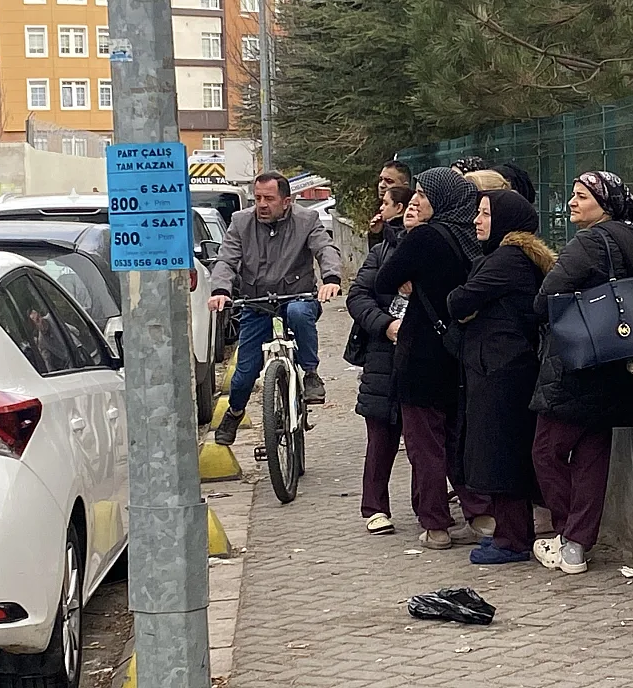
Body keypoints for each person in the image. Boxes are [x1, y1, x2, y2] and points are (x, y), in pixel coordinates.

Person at [530, 170, 633, 575]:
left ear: (604, 204)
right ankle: (577, 547)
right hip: (617, 355)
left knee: (546, 451)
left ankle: (567, 534)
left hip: (577, 360)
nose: (572, 202)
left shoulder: (588, 242)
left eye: (582, 196)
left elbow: (547, 296)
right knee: (592, 455)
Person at [374, 167, 492, 550]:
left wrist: (409, 278)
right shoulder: (469, 238)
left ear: (441, 199)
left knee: (424, 444)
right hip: (457, 353)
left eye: (423, 194)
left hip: (420, 353)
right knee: (458, 439)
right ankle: (480, 514)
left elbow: (383, 279)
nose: (415, 200)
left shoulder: (425, 237)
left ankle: (436, 524)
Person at [448, 191, 554, 564]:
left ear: (506, 221)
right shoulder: (507, 257)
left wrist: (467, 307)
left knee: (501, 454)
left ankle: (513, 539)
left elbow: (458, 300)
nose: (477, 220)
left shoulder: (507, 259)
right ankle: (510, 534)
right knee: (496, 451)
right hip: (497, 366)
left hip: (502, 369)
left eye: (485, 214)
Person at [207, 172, 343, 446]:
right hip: (256, 304)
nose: (262, 204)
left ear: (287, 201)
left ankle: (311, 374)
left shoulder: (306, 220)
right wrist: (220, 290)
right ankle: (235, 412)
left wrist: (331, 279)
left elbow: (325, 249)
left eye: (269, 198)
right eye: (257, 198)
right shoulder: (240, 222)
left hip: (297, 297)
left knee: (298, 314)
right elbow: (226, 260)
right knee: (244, 375)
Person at [347, 189, 411, 536]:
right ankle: (374, 507)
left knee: (428, 438)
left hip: (424, 353)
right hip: (382, 354)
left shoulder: (439, 246)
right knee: (380, 434)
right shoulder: (380, 251)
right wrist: (385, 325)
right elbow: (358, 296)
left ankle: (434, 507)